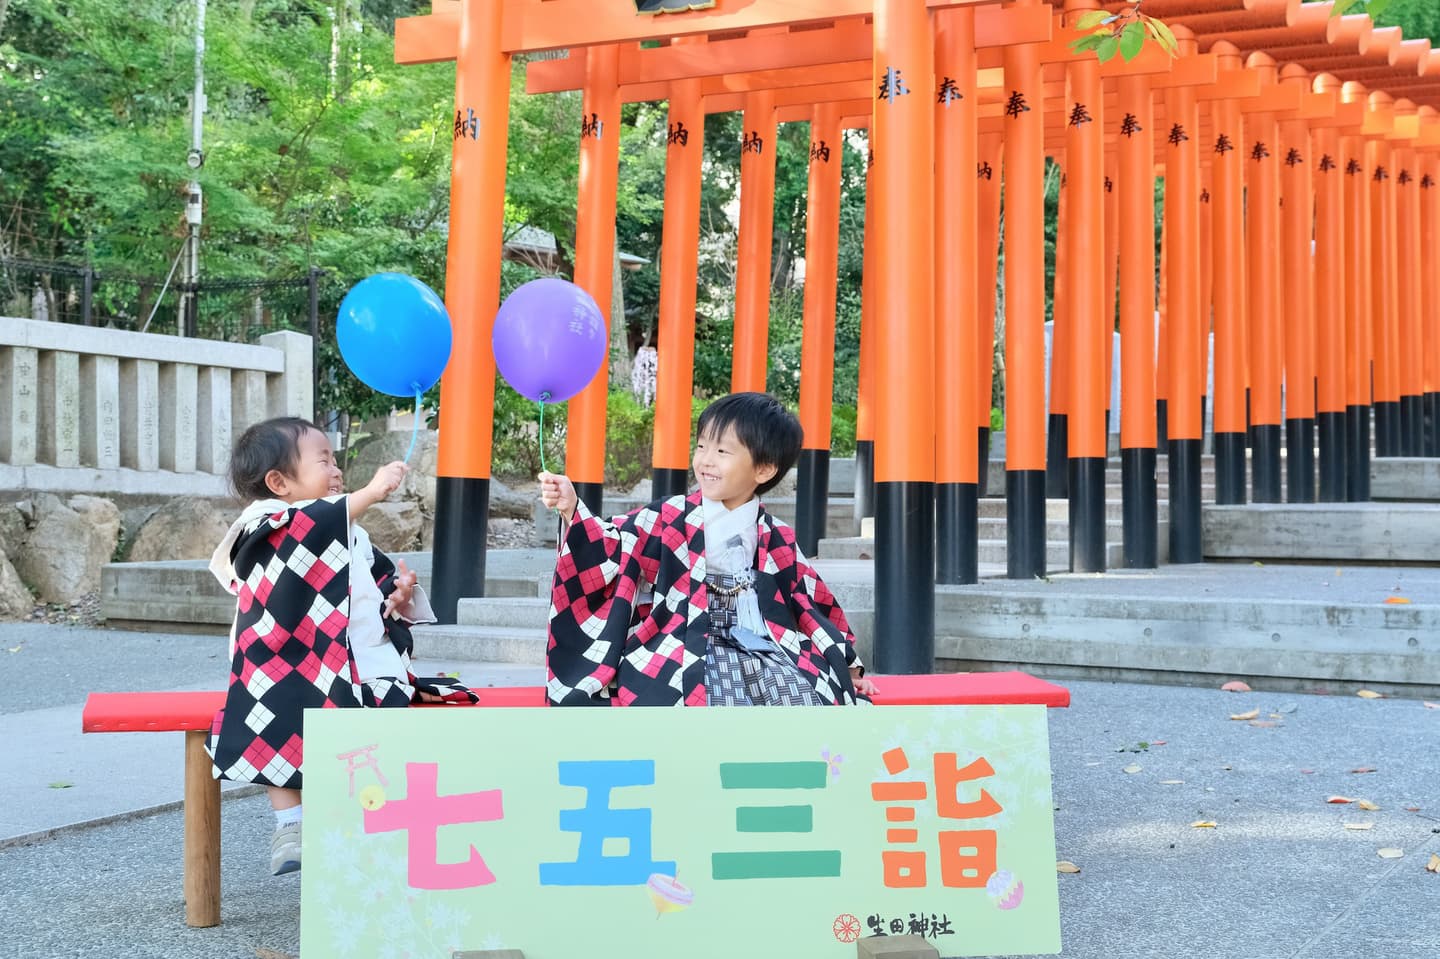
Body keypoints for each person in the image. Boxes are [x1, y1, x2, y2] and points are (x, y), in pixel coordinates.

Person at [207, 416, 474, 876]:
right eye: (323, 460)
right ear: (279, 482)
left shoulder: (346, 527)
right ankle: (290, 822)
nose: (336, 470)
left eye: (335, 460)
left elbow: (370, 579)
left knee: (369, 739)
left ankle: (363, 820)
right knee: (275, 723)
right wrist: (369, 494)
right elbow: (302, 536)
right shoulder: (265, 522)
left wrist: (398, 592)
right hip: (283, 661)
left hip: (357, 659)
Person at [540, 391, 878, 707]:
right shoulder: (668, 516)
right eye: (702, 447)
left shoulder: (776, 535)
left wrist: (848, 666)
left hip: (762, 639)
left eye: (722, 451)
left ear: (764, 469)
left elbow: (810, 602)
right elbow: (612, 546)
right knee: (685, 691)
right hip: (677, 635)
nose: (705, 461)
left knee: (805, 693)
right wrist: (573, 509)